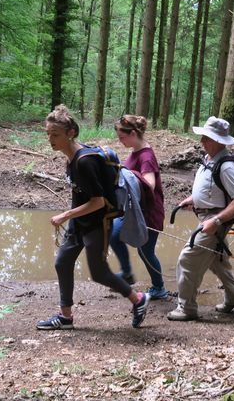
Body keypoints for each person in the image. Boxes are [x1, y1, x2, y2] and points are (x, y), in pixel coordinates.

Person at [36, 105, 150, 330]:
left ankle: (138, 299)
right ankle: (65, 317)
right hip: (79, 222)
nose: (51, 139)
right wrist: (72, 218)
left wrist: (65, 215)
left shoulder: (84, 161)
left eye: (55, 135)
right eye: (48, 134)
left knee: (99, 273)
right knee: (62, 261)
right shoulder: (70, 158)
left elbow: (98, 201)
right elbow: (80, 193)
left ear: (70, 133)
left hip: (97, 224)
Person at [167, 116, 234, 321]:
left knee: (187, 259)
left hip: (214, 220)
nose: (202, 141)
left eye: (207, 138)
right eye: (203, 136)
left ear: (220, 141)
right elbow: (211, 190)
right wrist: (192, 200)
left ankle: (186, 308)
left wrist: (217, 221)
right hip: (206, 216)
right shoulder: (209, 159)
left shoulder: (227, 166)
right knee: (216, 259)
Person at [110, 115, 169, 300]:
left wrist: (128, 174)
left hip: (149, 212)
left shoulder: (146, 156)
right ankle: (127, 273)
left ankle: (159, 287)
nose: (120, 141)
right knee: (113, 234)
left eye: (122, 137)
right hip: (134, 209)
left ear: (133, 133)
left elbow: (149, 184)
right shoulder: (136, 151)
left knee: (145, 251)